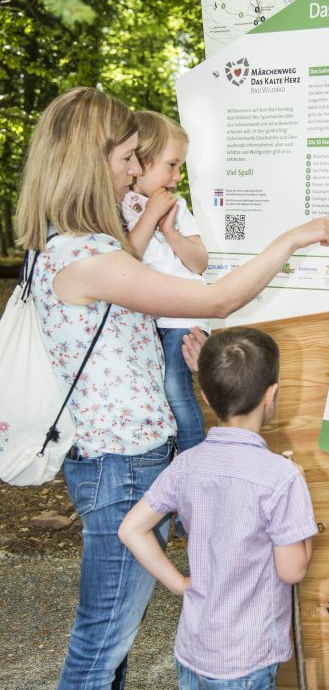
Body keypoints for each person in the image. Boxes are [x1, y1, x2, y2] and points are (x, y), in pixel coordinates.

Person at [14, 86, 329, 690]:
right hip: (119, 468)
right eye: (128, 157)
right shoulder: (83, 255)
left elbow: (119, 276)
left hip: (119, 461)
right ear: (87, 160)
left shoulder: (67, 247)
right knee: (97, 652)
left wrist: (151, 228)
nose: (136, 171)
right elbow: (217, 299)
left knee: (114, 648)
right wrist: (290, 240)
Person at [119, 327, 316, 690]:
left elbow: (132, 529)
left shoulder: (187, 465)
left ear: (204, 395)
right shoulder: (282, 478)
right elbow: (292, 568)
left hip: (194, 651)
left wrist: (180, 585)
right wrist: (304, 532)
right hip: (245, 663)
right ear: (273, 396)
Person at [121, 110, 208, 455]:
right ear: (140, 162)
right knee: (154, 391)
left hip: (181, 316)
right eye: (171, 165)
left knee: (175, 387)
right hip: (148, 317)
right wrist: (149, 215)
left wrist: (170, 230)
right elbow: (127, 257)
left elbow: (199, 262)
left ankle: (192, 460)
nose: (177, 176)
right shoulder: (119, 205)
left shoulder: (178, 206)